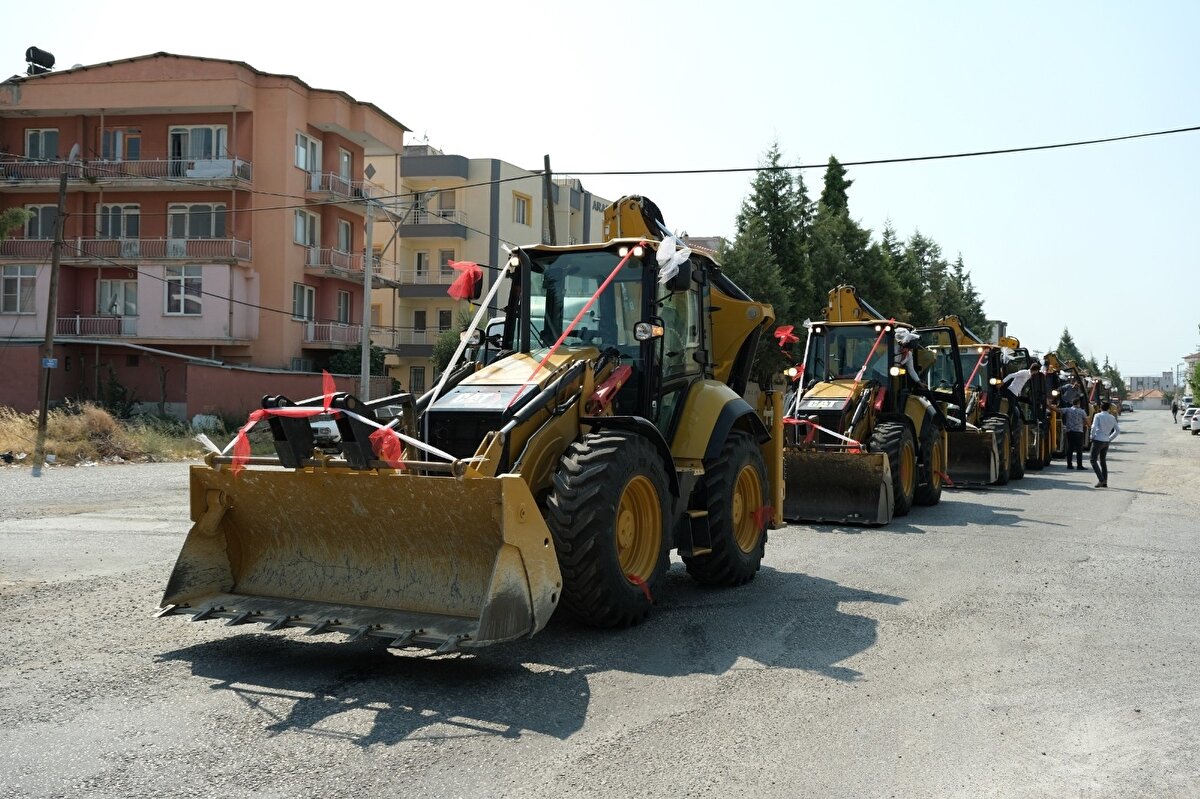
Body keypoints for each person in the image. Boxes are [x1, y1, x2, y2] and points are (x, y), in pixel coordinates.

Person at [1089, 401, 1120, 488]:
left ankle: (1101, 480)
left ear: (1100, 408)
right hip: (1106, 441)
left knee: (1093, 460)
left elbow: (1093, 427)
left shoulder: (1098, 415)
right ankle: (1105, 481)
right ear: (1109, 408)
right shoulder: (1112, 417)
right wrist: (1110, 438)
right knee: (1103, 460)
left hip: (1098, 439)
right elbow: (1117, 430)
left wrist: (1092, 436)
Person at [1061, 398, 1088, 470]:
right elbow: (1086, 421)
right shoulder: (1082, 411)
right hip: (1079, 432)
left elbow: (1058, 410)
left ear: (1072, 403)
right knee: (1079, 449)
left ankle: (1069, 465)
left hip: (1069, 431)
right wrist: (1085, 425)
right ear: (1078, 403)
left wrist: (1048, 406)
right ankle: (1079, 465)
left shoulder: (1067, 410)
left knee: (1070, 448)